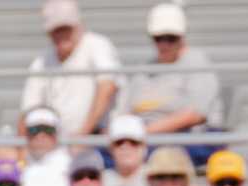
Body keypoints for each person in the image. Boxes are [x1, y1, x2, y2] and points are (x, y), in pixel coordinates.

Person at [123, 4, 222, 149]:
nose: (164, 44)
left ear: (182, 36)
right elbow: (127, 108)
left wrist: (141, 134)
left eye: (171, 38)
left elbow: (195, 114)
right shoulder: (145, 69)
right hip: (141, 138)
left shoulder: (197, 63)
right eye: (158, 38)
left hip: (183, 137)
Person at [25, 1, 121, 141]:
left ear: (79, 25)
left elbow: (107, 87)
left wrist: (83, 135)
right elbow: (28, 110)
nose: (62, 35)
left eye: (66, 28)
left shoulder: (97, 45)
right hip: (55, 144)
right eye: (56, 30)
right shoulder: (41, 61)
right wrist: (21, 151)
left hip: (98, 141)